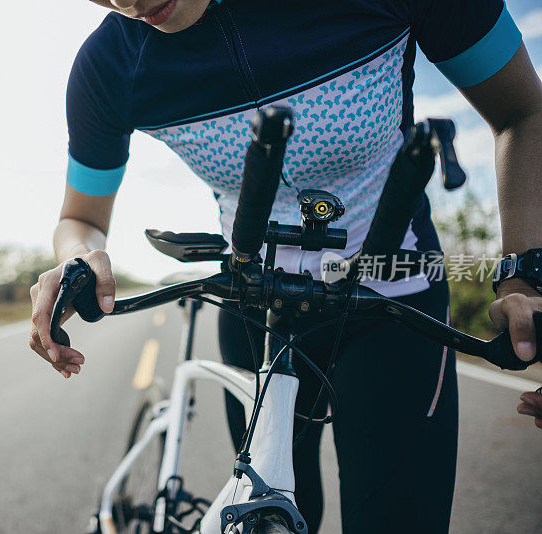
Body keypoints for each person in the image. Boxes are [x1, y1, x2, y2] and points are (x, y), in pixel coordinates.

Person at [28, 0, 542, 532]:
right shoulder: (109, 64)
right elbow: (80, 218)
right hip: (255, 311)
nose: (127, 2)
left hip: (395, 296)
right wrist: (77, 258)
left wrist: (525, 275)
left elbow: (523, 111)